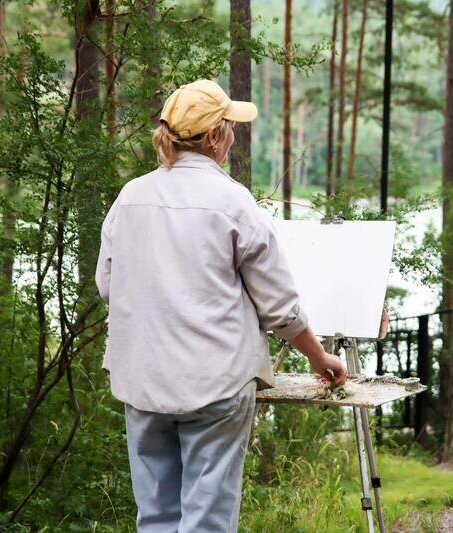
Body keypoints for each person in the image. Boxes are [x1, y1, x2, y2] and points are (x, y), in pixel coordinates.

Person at [94, 79, 348, 532]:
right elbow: (279, 308)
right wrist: (319, 356)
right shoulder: (232, 202)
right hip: (214, 384)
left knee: (155, 517)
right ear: (213, 137)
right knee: (207, 520)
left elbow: (107, 286)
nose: (232, 135)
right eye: (229, 126)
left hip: (144, 382)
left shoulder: (130, 197)